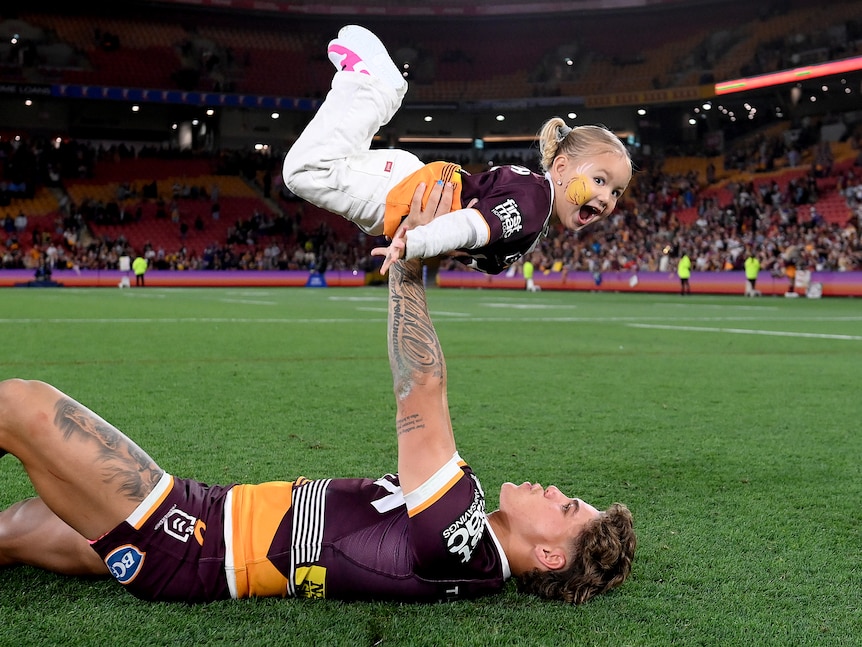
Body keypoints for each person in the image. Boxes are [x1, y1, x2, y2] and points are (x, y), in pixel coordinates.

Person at [0, 182, 635, 605]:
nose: (555, 490)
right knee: (15, 532)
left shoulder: (460, 536)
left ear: (549, 556)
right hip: (200, 533)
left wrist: (411, 255)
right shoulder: (470, 559)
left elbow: (421, 386)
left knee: (20, 405)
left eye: (567, 507)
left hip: (191, 538)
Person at [282, 25, 633, 276]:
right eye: (600, 180)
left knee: (332, 163)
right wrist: (415, 244)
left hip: (417, 189)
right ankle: (372, 87)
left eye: (616, 191)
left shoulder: (537, 210)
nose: (606, 198)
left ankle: (375, 90)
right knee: (306, 170)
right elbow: (469, 226)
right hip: (408, 195)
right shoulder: (533, 203)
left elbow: (472, 241)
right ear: (561, 167)